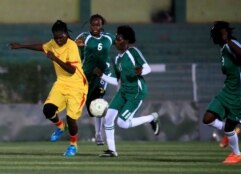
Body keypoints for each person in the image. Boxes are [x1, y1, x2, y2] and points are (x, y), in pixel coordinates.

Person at [10, 20, 88, 157]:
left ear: (66, 35)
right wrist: (21, 46)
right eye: (56, 37)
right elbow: (42, 47)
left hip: (77, 86)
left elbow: (71, 70)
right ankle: (59, 126)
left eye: (61, 37)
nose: (58, 40)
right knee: (48, 110)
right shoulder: (53, 43)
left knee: (71, 119)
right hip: (61, 83)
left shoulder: (72, 46)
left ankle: (73, 146)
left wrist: (55, 58)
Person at [94, 25, 160, 157]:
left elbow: (148, 68)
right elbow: (117, 81)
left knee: (122, 123)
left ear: (127, 41)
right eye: (116, 39)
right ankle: (112, 151)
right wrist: (102, 76)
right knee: (108, 118)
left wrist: (140, 71)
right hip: (123, 91)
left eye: (119, 39)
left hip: (136, 92)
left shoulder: (133, 52)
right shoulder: (117, 59)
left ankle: (151, 118)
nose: (116, 41)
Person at [203, 21, 241, 164]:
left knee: (230, 126)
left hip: (240, 93)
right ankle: (230, 132)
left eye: (216, 34)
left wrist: (228, 40)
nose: (214, 37)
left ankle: (236, 154)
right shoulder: (223, 48)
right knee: (208, 118)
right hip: (227, 90)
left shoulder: (232, 44)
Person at [75, 14, 115, 145]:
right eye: (93, 24)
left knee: (99, 101)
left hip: (102, 75)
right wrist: (78, 46)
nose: (95, 27)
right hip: (86, 76)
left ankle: (98, 134)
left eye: (98, 24)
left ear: (102, 25)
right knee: (89, 105)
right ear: (90, 25)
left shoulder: (109, 37)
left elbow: (122, 43)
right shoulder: (84, 37)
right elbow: (73, 49)